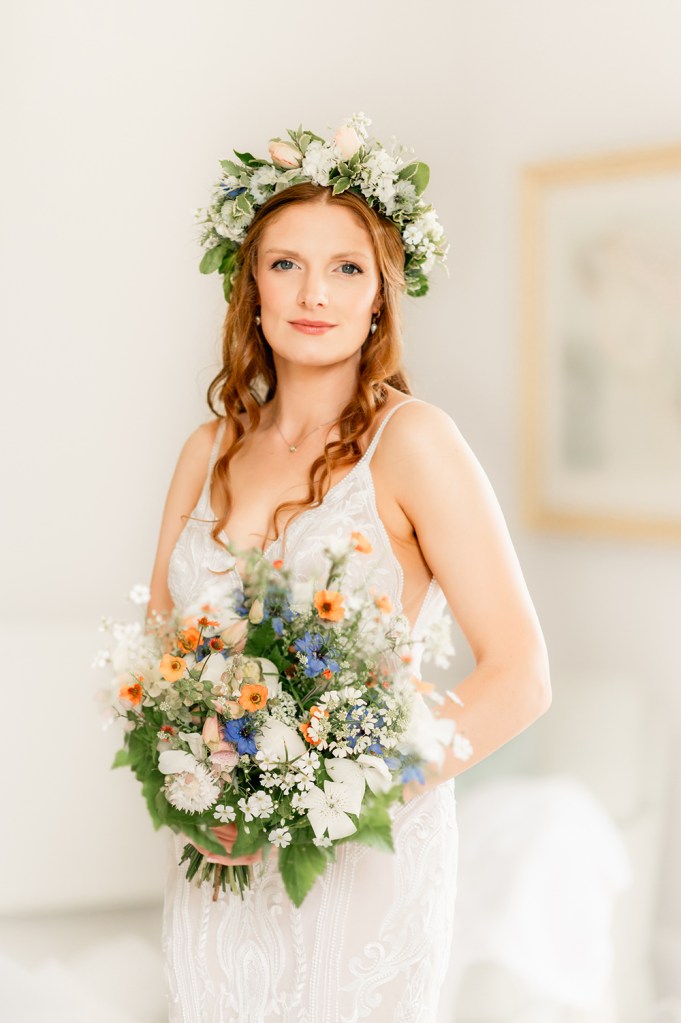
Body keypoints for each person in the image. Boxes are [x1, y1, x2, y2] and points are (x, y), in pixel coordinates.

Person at [147, 113, 551, 1023]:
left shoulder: (414, 443)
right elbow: (159, 657)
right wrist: (201, 792)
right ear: (249, 285)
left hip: (362, 854)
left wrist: (327, 797)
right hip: (216, 861)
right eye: (285, 263)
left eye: (345, 267)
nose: (312, 292)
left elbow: (520, 676)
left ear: (380, 296)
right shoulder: (205, 450)